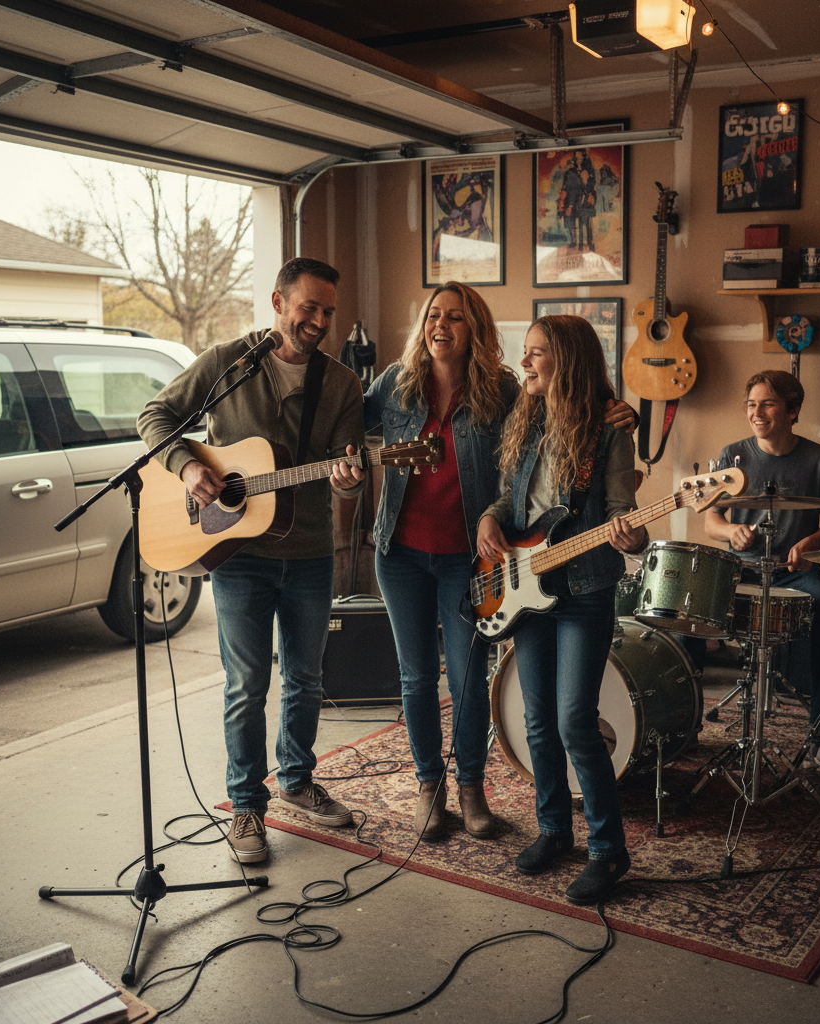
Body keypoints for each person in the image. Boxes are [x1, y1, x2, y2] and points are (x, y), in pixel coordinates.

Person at [364, 285, 635, 842]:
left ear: (476, 331)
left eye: (456, 318)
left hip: (483, 563)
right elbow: (348, 427)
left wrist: (615, 412)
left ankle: (475, 791)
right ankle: (435, 790)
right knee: (422, 680)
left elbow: (585, 459)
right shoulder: (398, 383)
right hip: (409, 553)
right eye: (433, 316)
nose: (441, 326)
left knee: (482, 688)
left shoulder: (508, 393)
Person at [137, 257, 366, 864]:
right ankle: (245, 809)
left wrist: (346, 479)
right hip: (235, 554)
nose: (318, 320)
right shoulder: (226, 363)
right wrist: (189, 468)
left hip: (310, 553)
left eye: (327, 311)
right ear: (278, 301)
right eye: (308, 307)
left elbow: (345, 479)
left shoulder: (341, 384)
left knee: (307, 679)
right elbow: (154, 417)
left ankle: (295, 780)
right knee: (246, 686)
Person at [477, 315, 646, 905]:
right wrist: (490, 518)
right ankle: (554, 830)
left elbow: (624, 510)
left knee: (576, 721)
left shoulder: (610, 429)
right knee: (536, 720)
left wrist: (630, 538)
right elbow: (512, 498)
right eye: (525, 352)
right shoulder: (525, 421)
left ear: (567, 361)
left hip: (585, 590)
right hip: (527, 588)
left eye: (537, 353)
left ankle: (609, 851)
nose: (524, 363)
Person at [703, 369, 820, 744]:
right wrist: (730, 530)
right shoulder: (732, 456)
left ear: (793, 409)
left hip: (795, 570)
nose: (756, 412)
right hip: (742, 568)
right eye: (751, 404)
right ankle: (682, 724)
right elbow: (711, 521)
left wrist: (810, 544)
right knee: (689, 621)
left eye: (767, 403)